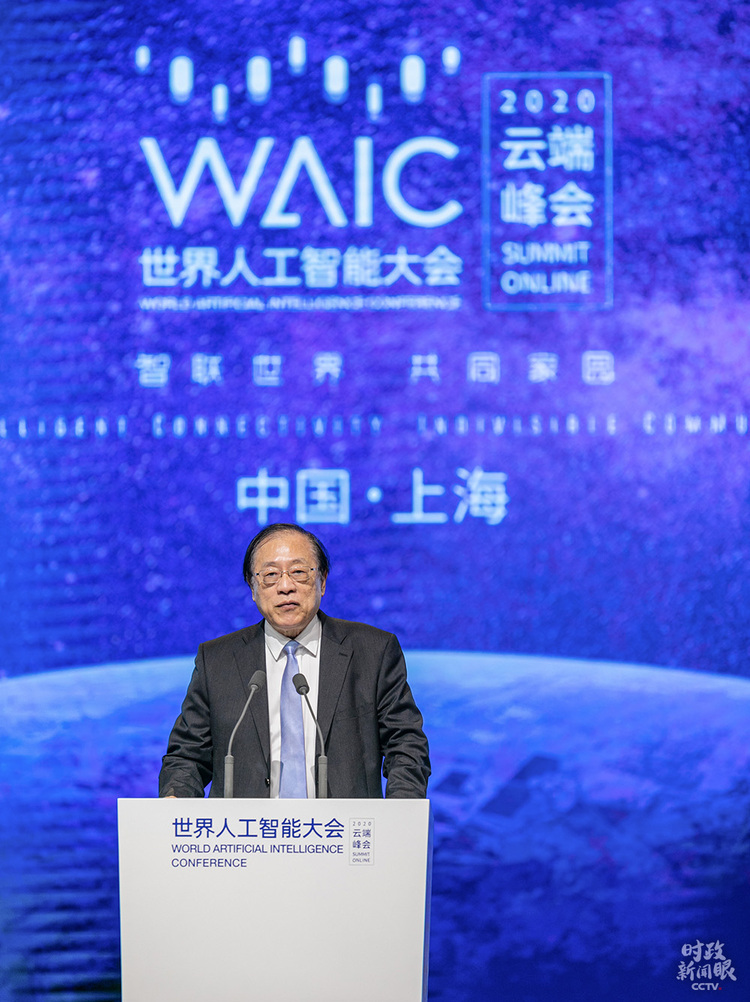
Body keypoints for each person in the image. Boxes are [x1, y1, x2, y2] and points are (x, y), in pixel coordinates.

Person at [159, 523, 430, 799]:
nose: (286, 586)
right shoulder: (218, 660)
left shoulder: (373, 651)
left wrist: (403, 809)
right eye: (270, 575)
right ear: (253, 588)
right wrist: (175, 799)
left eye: (299, 572)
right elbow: (187, 757)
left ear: (322, 581)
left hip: (341, 826)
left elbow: (405, 744)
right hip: (247, 827)